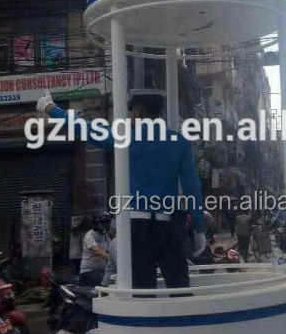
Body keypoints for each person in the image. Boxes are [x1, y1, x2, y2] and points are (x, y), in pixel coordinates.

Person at [37, 92, 206, 291]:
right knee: (180, 289)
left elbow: (85, 128)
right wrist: (199, 228)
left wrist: (51, 108)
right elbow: (192, 188)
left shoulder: (126, 137)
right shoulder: (180, 142)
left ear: (139, 111)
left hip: (137, 225)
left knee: (142, 291)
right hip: (169, 225)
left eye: (131, 112)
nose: (129, 117)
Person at [79, 213, 110, 286]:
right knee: (106, 283)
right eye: (102, 223)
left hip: (101, 271)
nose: (104, 225)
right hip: (88, 272)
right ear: (96, 223)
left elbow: (111, 249)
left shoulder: (104, 235)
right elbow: (98, 252)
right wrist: (116, 261)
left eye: (106, 223)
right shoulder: (90, 235)